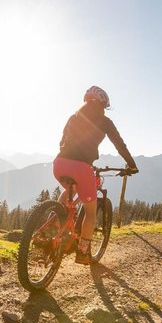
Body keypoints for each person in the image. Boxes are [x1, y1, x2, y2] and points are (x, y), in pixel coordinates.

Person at [53, 86, 137, 265]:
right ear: (103, 104)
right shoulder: (105, 122)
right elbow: (120, 145)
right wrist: (132, 165)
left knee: (71, 189)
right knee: (90, 213)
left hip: (59, 163)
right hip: (82, 167)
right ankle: (83, 253)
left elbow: (62, 140)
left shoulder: (73, 116)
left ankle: (53, 226)